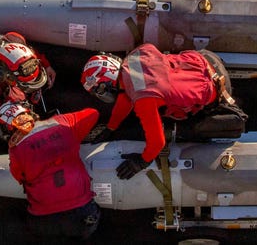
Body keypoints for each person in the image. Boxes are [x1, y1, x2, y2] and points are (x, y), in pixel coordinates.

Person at [81, 44, 246, 180]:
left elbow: (157, 143)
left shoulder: (143, 99)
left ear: (108, 81)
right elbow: (126, 96)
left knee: (180, 128)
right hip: (208, 60)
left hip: (216, 91)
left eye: (100, 91)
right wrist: (111, 127)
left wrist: (141, 161)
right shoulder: (137, 55)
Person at [0, 102, 102, 239]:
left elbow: (18, 177)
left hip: (43, 219)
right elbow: (93, 113)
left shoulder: (15, 149)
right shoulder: (63, 122)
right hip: (80, 214)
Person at [0, 32, 56, 134]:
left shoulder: (15, 41)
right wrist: (14, 123)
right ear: (5, 76)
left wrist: (46, 65)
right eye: (26, 84)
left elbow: (28, 53)